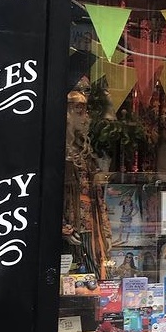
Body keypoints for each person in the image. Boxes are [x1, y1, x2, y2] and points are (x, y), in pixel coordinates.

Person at [61, 84, 112, 279]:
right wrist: (63, 227)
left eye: (85, 112)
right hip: (72, 226)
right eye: (80, 112)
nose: (86, 118)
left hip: (91, 225)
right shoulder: (59, 153)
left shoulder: (84, 154)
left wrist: (105, 230)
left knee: (94, 276)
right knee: (70, 275)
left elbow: (97, 194)